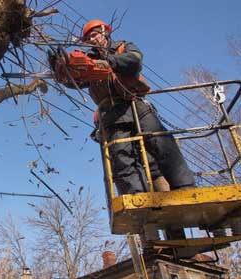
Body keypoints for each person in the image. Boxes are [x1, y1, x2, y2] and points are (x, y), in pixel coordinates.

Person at [52, 19, 195, 195]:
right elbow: (76, 82)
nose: (92, 40)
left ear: (105, 32)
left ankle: (185, 187)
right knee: (122, 155)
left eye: (95, 35)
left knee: (159, 140)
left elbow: (135, 60)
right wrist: (62, 72)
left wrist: (107, 63)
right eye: (88, 39)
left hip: (135, 104)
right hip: (112, 114)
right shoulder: (88, 61)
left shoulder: (122, 46)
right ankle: (138, 198)